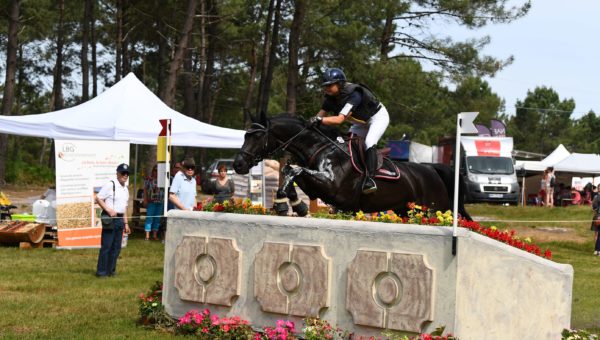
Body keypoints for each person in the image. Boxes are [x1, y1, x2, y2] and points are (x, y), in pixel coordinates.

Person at [309, 67, 389, 194]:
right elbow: (319, 116)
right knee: (346, 145)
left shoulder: (354, 94)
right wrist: (310, 123)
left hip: (377, 118)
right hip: (359, 123)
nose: (327, 88)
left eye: (330, 85)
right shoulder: (330, 98)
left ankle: (370, 179)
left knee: (369, 142)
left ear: (339, 83)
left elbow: (339, 120)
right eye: (325, 85)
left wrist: (318, 120)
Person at [95, 163, 131, 277]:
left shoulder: (126, 188)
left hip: (120, 219)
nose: (125, 175)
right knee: (106, 246)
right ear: (117, 173)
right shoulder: (110, 185)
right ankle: (101, 272)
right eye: (123, 173)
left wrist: (126, 223)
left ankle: (111, 270)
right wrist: (108, 209)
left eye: (127, 173)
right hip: (110, 218)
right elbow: (98, 198)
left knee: (117, 247)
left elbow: (124, 207)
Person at [143, 164, 163, 241]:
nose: (157, 172)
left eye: (158, 171)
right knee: (149, 218)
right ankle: (147, 236)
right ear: (153, 171)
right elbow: (145, 190)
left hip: (160, 202)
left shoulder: (163, 180)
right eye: (155, 170)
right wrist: (145, 200)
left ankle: (154, 235)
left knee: (157, 219)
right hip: (151, 202)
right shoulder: (148, 179)